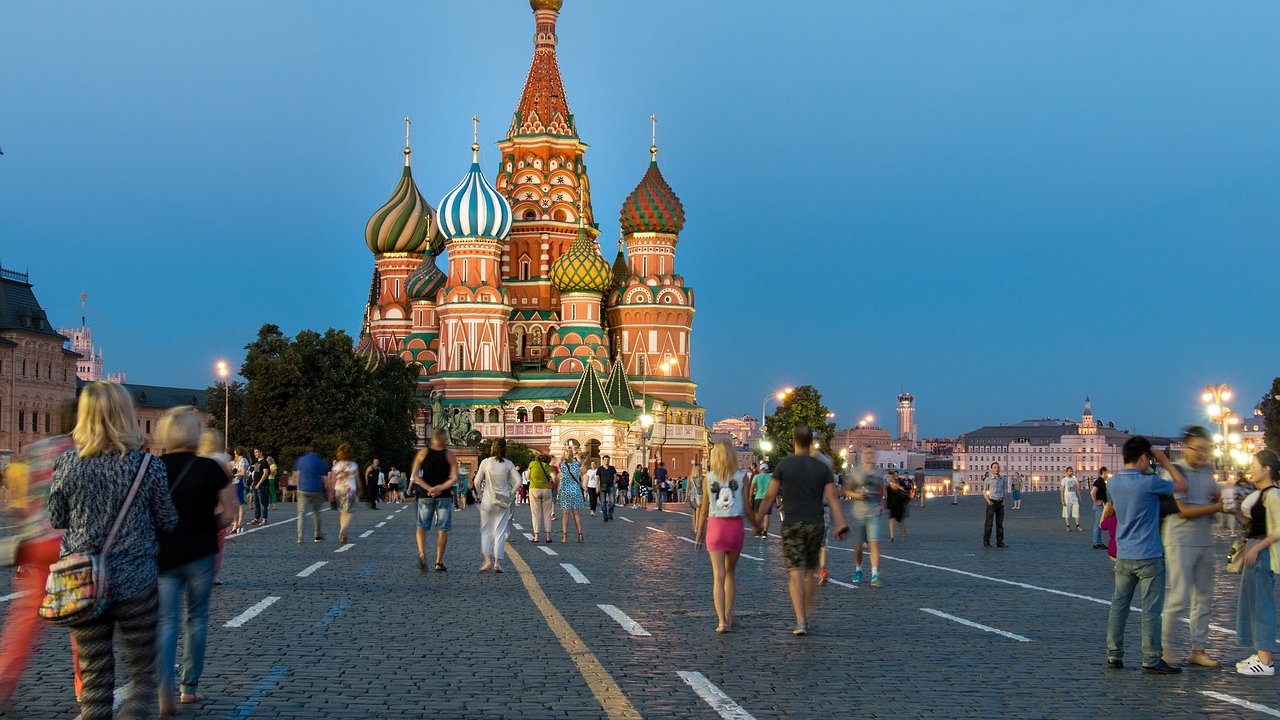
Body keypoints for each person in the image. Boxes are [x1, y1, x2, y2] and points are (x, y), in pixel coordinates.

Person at [48, 381, 179, 720]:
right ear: (126, 416)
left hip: (83, 583)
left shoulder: (66, 464)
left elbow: (57, 518)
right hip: (136, 581)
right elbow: (167, 520)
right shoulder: (149, 466)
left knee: (94, 678)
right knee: (142, 675)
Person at [155, 407, 237, 714]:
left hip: (164, 554)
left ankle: (164, 692)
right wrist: (206, 527)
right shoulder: (211, 469)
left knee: (166, 623)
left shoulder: (155, 467)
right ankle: (189, 688)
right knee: (197, 620)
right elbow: (229, 513)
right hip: (201, 553)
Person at [0, 402, 81, 707]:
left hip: (36, 544)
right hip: (68, 545)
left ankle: (4, 678)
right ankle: (85, 690)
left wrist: (25, 536)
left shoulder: (37, 450)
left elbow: (22, 504)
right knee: (81, 621)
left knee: (24, 620)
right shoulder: (82, 453)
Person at [752, 426, 849, 636]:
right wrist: (841, 523)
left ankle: (801, 620)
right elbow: (833, 497)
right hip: (816, 523)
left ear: (794, 441)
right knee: (809, 572)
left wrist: (758, 521)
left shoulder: (784, 465)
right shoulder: (821, 468)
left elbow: (769, 496)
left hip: (793, 523)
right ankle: (808, 612)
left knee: (795, 572)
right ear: (810, 442)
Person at [1104, 436, 1187, 674]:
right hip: (1149, 553)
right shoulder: (1149, 483)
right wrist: (1164, 462)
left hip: (1124, 553)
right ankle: (1151, 658)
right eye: (1148, 458)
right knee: (1151, 609)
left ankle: (1114, 654)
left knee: (1119, 605)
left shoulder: (1114, 483)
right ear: (1143, 457)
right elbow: (1182, 485)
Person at [1162, 426, 1226, 668]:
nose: (1202, 454)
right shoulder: (1176, 473)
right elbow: (1185, 511)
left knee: (1204, 598)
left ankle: (1198, 650)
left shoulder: (1207, 473)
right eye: (1198, 449)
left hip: (1204, 540)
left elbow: (1217, 496)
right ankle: (1165, 648)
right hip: (1180, 539)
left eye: (1206, 450)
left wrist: (1221, 501)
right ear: (1185, 447)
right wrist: (1217, 507)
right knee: (1179, 596)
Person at [694, 440, 749, 634]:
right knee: (730, 574)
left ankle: (721, 622)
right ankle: (729, 613)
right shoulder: (742, 477)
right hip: (735, 528)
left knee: (718, 576)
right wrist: (758, 524)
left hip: (715, 529)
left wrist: (699, 532)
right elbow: (747, 507)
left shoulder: (708, 478)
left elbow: (704, 509)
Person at [1233, 450, 1280, 676]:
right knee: (1252, 603)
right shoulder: (1262, 494)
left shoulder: (1273, 495)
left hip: (1262, 553)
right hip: (1255, 549)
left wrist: (1258, 548)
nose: (1251, 469)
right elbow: (1257, 525)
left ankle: (1266, 660)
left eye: (1254, 465)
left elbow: (1279, 528)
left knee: (1262, 605)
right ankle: (1260, 653)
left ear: (1267, 469)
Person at [409, 429, 458, 572]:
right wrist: (440, 488)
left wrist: (429, 488)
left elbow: (415, 476)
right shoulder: (449, 455)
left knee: (422, 526)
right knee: (442, 529)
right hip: (443, 496)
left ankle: (422, 552)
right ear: (445, 440)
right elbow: (454, 478)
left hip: (425, 495)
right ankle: (438, 562)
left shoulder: (423, 453)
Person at [475, 439, 522, 573]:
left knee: (486, 531)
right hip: (503, 500)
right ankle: (497, 563)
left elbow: (477, 481)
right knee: (500, 531)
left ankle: (487, 561)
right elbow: (518, 481)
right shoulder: (508, 464)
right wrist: (511, 494)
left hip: (488, 499)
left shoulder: (485, 462)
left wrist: (479, 494)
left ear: (492, 448)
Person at [845, 451, 885, 587]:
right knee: (858, 546)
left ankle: (874, 575)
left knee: (874, 543)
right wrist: (856, 495)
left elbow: (881, 490)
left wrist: (881, 505)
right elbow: (847, 490)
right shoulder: (855, 472)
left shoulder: (880, 472)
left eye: (871, 453)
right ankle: (858, 569)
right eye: (866, 453)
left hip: (873, 512)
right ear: (862, 456)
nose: (869, 456)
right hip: (858, 513)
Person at [294, 444, 328, 543]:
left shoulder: (301, 460)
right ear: (317, 451)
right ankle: (317, 534)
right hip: (316, 490)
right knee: (316, 513)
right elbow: (324, 478)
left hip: (303, 489)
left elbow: (297, 475)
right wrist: (326, 489)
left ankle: (300, 536)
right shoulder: (320, 461)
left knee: (301, 513)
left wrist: (298, 488)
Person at [331, 444, 359, 543]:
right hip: (350, 489)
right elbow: (357, 479)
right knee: (349, 511)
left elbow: (333, 479)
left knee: (342, 511)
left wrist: (331, 492)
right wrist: (361, 488)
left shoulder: (337, 466)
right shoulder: (353, 465)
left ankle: (341, 532)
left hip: (339, 489)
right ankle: (344, 529)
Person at [559, 442, 586, 543]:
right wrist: (574, 451)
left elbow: (560, 459)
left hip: (565, 490)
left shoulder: (562, 465)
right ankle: (580, 535)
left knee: (565, 514)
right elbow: (580, 459)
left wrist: (566, 450)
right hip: (575, 490)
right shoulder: (576, 464)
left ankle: (565, 536)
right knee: (576, 514)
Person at [527, 453, 555, 543]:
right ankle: (548, 536)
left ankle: (536, 536)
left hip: (534, 489)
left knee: (535, 514)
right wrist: (553, 484)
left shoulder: (532, 464)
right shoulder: (549, 467)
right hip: (546, 490)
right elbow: (554, 477)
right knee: (547, 514)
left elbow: (528, 476)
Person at [982, 463, 1009, 548]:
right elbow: (984, 491)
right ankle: (986, 541)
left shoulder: (1003, 479)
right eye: (994, 468)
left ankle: (1000, 542)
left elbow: (1005, 491)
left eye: (997, 467)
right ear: (992, 469)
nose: (996, 469)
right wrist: (988, 500)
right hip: (991, 502)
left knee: (1000, 523)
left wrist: (1004, 501)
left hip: (1000, 502)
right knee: (989, 523)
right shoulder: (988, 479)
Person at [885, 471, 909, 542]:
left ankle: (903, 536)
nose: (889, 478)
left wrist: (899, 487)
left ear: (893, 477)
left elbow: (906, 491)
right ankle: (892, 537)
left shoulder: (901, 482)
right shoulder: (888, 486)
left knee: (900, 522)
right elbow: (888, 497)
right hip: (892, 505)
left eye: (890, 477)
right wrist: (888, 506)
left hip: (900, 504)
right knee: (891, 521)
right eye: (888, 477)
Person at [230, 448, 249, 533]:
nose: (234, 454)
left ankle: (239, 523)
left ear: (238, 453)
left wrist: (233, 474)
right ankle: (235, 524)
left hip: (239, 482)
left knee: (239, 504)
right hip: (234, 483)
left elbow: (243, 473)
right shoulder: (237, 460)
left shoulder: (243, 460)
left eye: (235, 453)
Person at [249, 448, 270, 526]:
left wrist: (259, 484)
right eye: (254, 452)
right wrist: (253, 483)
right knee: (256, 502)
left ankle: (265, 519)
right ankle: (256, 518)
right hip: (255, 485)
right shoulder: (257, 462)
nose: (255, 453)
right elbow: (256, 474)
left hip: (262, 486)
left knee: (263, 503)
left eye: (257, 452)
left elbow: (265, 473)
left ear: (261, 452)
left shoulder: (264, 462)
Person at [1091, 468, 1110, 549]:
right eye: (1107, 472)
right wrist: (1096, 501)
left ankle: (1098, 542)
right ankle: (1096, 543)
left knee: (1099, 524)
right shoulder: (1099, 481)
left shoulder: (1101, 481)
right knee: (1098, 524)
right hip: (1099, 505)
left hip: (1101, 505)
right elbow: (1092, 492)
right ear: (1104, 472)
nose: (1108, 473)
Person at [751, 463, 772, 538]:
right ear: (766, 469)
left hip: (758, 497)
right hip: (767, 498)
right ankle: (765, 533)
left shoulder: (756, 476)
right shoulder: (770, 477)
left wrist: (750, 497)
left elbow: (752, 488)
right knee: (766, 516)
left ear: (760, 469)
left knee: (757, 515)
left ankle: (757, 532)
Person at [1061, 467, 1082, 532]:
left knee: (1076, 512)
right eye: (1069, 471)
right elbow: (1062, 491)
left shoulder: (1075, 479)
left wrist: (1080, 498)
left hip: (1074, 498)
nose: (1071, 472)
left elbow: (1077, 489)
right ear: (1067, 472)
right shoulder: (1064, 480)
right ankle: (1068, 526)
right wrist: (1062, 500)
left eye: (1071, 471)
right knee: (1066, 512)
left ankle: (1077, 526)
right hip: (1067, 498)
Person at [598, 455, 618, 522]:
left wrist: (614, 482)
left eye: (608, 460)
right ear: (603, 460)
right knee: (603, 502)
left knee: (612, 501)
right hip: (603, 486)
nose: (607, 461)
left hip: (610, 486)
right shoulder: (600, 468)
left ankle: (610, 513)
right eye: (605, 460)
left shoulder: (612, 468)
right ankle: (605, 516)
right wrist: (597, 486)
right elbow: (597, 478)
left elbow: (615, 476)